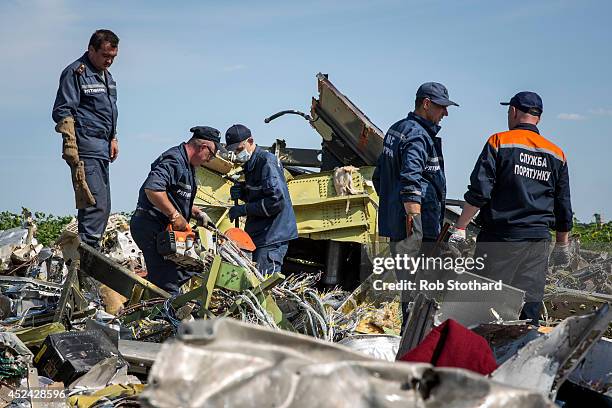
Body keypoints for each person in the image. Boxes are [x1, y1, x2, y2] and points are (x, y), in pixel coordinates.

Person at [449, 91, 573, 324]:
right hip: (537, 241)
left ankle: (482, 355)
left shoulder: (499, 142)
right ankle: (525, 351)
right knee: (529, 307)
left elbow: (479, 191)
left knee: (485, 306)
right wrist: (562, 245)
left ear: (514, 112)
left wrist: (460, 228)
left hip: (501, 238)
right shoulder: (557, 154)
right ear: (539, 118)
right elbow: (563, 204)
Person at [373, 82, 458, 324]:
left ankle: (411, 333)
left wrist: (393, 209)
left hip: (400, 227)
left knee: (409, 291)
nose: (446, 113)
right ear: (426, 104)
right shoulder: (418, 136)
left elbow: (381, 176)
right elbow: (411, 181)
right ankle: (415, 339)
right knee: (419, 293)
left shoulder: (397, 129)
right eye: (442, 107)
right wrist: (416, 230)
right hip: (417, 231)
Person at [52, 29, 120, 248]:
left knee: (103, 207)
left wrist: (113, 138)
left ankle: (88, 260)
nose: (109, 61)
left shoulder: (107, 77)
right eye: (105, 56)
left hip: (102, 148)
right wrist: (70, 145)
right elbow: (64, 111)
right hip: (86, 148)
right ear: (91, 49)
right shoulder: (76, 73)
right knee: (93, 207)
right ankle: (85, 270)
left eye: (113, 57)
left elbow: (108, 111)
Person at [130, 127, 218, 294]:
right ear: (203, 147)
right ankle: (163, 317)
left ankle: (146, 298)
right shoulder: (175, 160)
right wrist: (175, 216)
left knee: (192, 268)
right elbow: (153, 189)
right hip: (151, 228)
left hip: (163, 230)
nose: (208, 160)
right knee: (168, 284)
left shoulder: (188, 166)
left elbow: (174, 196)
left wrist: (196, 213)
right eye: (211, 155)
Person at [224, 124, 298, 276]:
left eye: (239, 149)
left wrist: (244, 209)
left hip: (272, 236)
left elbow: (276, 202)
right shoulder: (252, 164)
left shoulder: (266, 162)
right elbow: (261, 194)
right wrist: (244, 193)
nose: (237, 154)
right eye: (234, 151)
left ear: (250, 141)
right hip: (261, 234)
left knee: (264, 284)